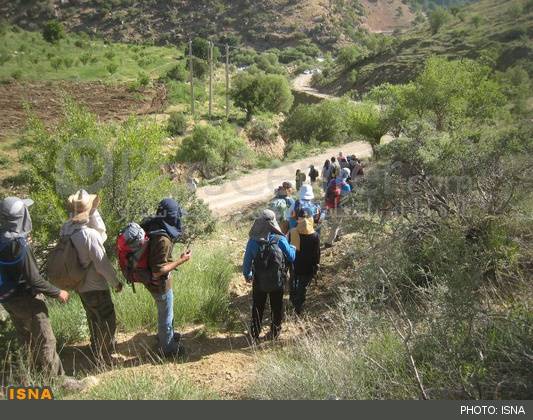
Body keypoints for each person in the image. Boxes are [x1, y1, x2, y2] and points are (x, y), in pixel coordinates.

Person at [0, 197, 69, 377]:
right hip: (27, 299)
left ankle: (32, 376)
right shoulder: (19, 244)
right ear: (21, 216)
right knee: (46, 340)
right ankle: (58, 382)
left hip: (8, 299)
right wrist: (58, 292)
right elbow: (34, 280)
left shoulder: (4, 238)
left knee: (26, 339)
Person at [60, 190, 123, 360]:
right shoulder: (90, 235)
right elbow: (102, 265)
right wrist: (115, 282)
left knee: (92, 317)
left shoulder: (66, 229)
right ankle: (104, 355)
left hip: (79, 284)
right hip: (96, 285)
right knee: (107, 319)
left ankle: (96, 347)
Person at [141, 198, 192, 357]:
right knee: (166, 315)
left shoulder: (154, 225)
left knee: (165, 313)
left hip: (152, 282)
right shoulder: (162, 239)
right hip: (159, 284)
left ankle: (166, 337)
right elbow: (158, 270)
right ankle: (168, 348)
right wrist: (181, 260)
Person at [242, 209, 295, 342]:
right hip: (278, 281)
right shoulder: (280, 239)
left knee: (258, 306)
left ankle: (254, 334)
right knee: (276, 306)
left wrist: (248, 276)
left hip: (259, 281)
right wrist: (293, 248)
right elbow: (292, 257)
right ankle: (275, 332)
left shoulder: (253, 242)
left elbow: (246, 264)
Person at [288, 208, 320, 315]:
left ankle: (292, 300)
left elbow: (288, 250)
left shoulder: (293, 232)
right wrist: (316, 266)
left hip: (294, 264)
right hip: (308, 266)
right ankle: (298, 306)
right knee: (302, 286)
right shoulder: (315, 235)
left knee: (293, 281)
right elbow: (317, 253)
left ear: (298, 220)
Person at [324, 168, 352, 248]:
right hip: (339, 207)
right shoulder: (346, 186)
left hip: (330, 205)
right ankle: (329, 242)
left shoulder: (332, 181)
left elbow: (326, 193)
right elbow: (347, 199)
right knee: (336, 224)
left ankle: (338, 236)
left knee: (336, 222)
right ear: (346, 175)